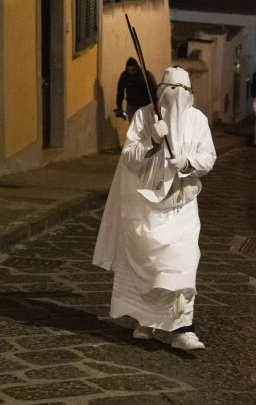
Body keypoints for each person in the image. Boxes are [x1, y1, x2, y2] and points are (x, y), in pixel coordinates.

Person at [94, 67, 217, 351]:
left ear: (190, 96)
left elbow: (208, 157)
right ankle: (147, 320)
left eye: (182, 93)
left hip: (182, 205)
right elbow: (129, 158)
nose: (176, 99)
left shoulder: (197, 120)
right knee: (151, 269)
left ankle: (182, 331)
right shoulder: (144, 117)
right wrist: (153, 141)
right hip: (148, 208)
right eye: (170, 92)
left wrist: (186, 162)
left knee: (182, 264)